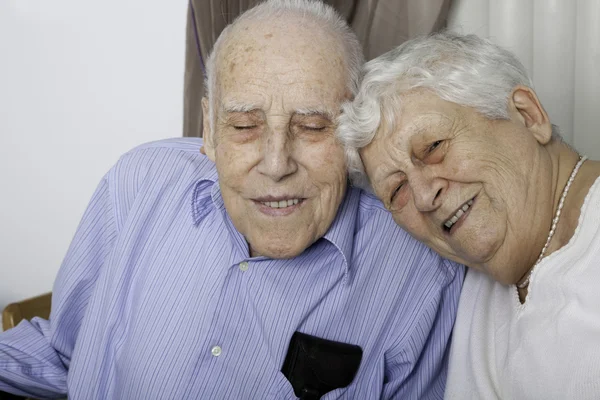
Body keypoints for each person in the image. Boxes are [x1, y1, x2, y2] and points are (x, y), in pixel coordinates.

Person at [0, 2, 463, 399]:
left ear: (355, 131)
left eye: (313, 126)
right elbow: (63, 353)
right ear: (208, 128)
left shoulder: (423, 275)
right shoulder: (137, 182)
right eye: (245, 126)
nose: (276, 162)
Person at [339, 31, 600, 399]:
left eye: (433, 147)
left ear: (528, 116)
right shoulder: (471, 279)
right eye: (397, 190)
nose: (425, 196)